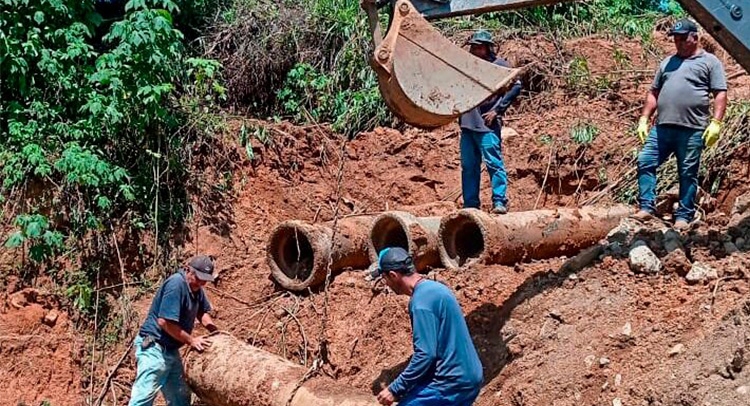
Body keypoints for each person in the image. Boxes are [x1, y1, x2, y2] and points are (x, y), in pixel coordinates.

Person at [634, 18, 727, 231]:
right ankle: (647, 207)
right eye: (676, 39)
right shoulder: (667, 63)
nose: (679, 43)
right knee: (645, 161)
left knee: (687, 173)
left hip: (692, 129)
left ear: (695, 37)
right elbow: (653, 92)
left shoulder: (710, 62)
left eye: (683, 39)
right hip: (662, 128)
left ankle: (683, 216)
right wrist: (644, 118)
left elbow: (720, 93)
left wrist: (716, 123)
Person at [370, 247, 483, 405]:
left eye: (384, 278)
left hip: (450, 383)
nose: (386, 284)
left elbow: (425, 354)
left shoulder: (421, 302)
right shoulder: (435, 289)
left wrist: (395, 389)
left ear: (393, 275)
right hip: (469, 377)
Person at [128, 255, 218, 406]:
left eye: (205, 280)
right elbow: (164, 322)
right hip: (154, 347)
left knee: (180, 397)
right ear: (188, 270)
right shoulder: (176, 284)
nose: (201, 283)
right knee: (142, 398)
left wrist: (214, 330)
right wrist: (191, 340)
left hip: (170, 349)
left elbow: (202, 313)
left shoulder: (196, 288)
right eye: (199, 278)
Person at [459, 29, 523, 214]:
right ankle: (471, 205)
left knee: (494, 163)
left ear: (487, 48)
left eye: (479, 47)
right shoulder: (468, 66)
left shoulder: (499, 65)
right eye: (474, 47)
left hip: (486, 125)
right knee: (469, 166)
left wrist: (497, 110)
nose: (475, 50)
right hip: (467, 123)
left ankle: (499, 201)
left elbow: (516, 86)